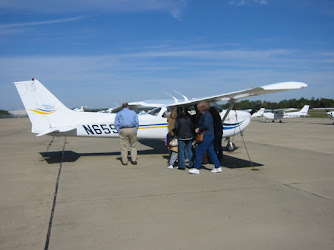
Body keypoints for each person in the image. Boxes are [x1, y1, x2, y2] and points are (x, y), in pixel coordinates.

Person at [189, 101, 222, 174]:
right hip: (210, 135)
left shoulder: (205, 115)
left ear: (202, 108)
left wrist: (199, 129)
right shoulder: (208, 114)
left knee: (199, 151)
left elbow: (206, 125)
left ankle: (196, 168)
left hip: (206, 135)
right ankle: (217, 167)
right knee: (211, 151)